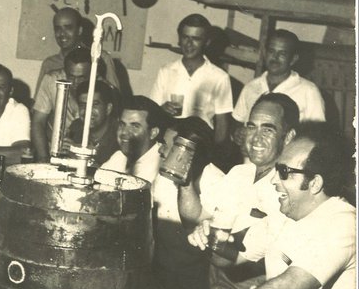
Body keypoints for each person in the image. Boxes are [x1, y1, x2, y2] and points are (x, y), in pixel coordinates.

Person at [155, 126, 355, 289]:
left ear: (315, 183)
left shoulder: (342, 224)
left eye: (284, 172)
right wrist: (211, 238)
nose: (274, 181)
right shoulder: (285, 216)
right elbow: (232, 257)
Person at [178, 93, 298, 289]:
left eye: (268, 129)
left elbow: (228, 258)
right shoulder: (239, 172)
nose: (256, 138)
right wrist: (184, 182)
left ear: (288, 136)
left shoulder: (287, 190)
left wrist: (207, 235)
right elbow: (199, 215)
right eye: (251, 127)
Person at [152, 117, 225, 289]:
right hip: (162, 271)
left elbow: (198, 230)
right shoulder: (164, 176)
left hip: (195, 282)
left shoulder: (217, 182)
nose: (160, 150)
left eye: (166, 145)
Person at [150, 14, 233, 144]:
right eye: (185, 37)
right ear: (179, 39)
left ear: (206, 42)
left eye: (196, 39)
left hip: (201, 144)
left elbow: (222, 126)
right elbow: (151, 113)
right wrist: (162, 109)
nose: (189, 44)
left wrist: (214, 152)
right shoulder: (165, 71)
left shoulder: (220, 77)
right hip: (168, 141)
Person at [231, 29, 325, 144]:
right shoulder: (251, 87)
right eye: (271, 51)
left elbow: (318, 136)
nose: (275, 58)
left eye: (282, 54)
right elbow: (238, 122)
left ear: (293, 59)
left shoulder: (308, 91)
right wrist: (238, 132)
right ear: (264, 53)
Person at [35, 7, 121, 92]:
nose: (62, 33)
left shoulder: (100, 57)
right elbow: (40, 97)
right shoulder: (49, 64)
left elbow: (115, 96)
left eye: (68, 28)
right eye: (58, 28)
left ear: (79, 30)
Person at [31, 47, 93, 162]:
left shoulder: (102, 90)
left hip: (85, 154)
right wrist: (44, 159)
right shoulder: (51, 80)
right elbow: (38, 122)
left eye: (81, 78)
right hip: (52, 151)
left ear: (93, 74)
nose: (75, 83)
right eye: (71, 76)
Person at [97, 95, 169, 185]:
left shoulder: (163, 166)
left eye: (135, 126)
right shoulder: (119, 157)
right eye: (122, 124)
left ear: (153, 133)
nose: (124, 132)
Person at [63, 79, 119, 165]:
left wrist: (79, 156)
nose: (87, 111)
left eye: (94, 105)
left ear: (108, 109)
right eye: (83, 105)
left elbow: (111, 171)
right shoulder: (76, 127)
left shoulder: (119, 136)